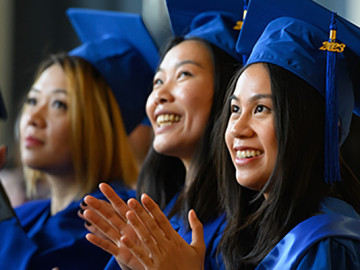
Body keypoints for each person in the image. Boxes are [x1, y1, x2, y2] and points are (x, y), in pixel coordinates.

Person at [80, 11, 243, 270]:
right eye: (157, 81)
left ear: (230, 93)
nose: (160, 95)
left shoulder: (248, 225)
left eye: (183, 75)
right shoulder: (159, 214)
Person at [0, 8, 157, 269]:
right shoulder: (31, 213)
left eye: (59, 104)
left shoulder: (111, 217)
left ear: (100, 127)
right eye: (32, 100)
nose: (33, 117)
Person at [216, 0, 360, 269]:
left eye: (260, 108)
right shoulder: (259, 231)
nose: (236, 128)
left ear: (318, 128)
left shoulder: (326, 242)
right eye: (235, 108)